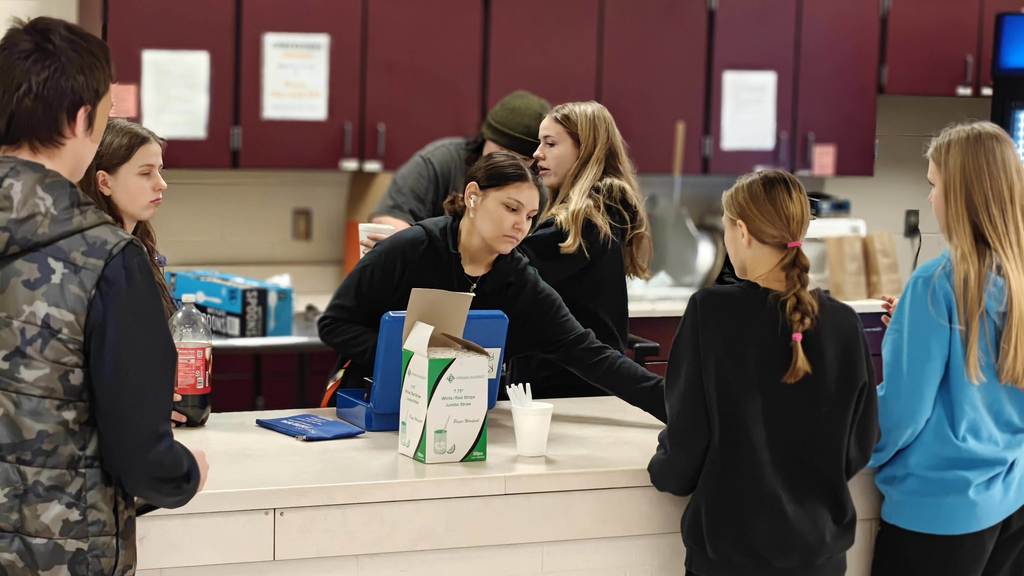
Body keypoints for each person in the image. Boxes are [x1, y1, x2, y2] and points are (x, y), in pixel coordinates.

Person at [0, 18, 205, 575]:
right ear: (82, 119)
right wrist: (188, 472)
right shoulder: (108, 259)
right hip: (62, 554)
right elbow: (141, 456)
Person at [647, 169, 878, 576]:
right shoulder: (843, 322)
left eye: (725, 229)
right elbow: (860, 444)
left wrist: (662, 471)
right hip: (818, 559)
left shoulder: (711, 313)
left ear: (742, 231)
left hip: (731, 557)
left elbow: (686, 445)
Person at [318, 152, 665, 422]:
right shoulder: (411, 249)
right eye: (511, 208)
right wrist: (409, 354)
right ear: (473, 196)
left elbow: (587, 351)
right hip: (376, 409)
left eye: (530, 216)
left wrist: (673, 403)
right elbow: (334, 324)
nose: (520, 226)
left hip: (468, 419)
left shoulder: (518, 278)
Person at [869, 122, 1024, 576]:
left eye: (935, 185)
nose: (931, 197)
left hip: (937, 515)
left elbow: (901, 413)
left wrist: (849, 454)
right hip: (1011, 502)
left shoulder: (937, 281)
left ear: (960, 195)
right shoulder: (1015, 277)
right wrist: (918, 325)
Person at [517, 101, 652, 397]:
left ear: (586, 150)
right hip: (579, 382)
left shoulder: (587, 219)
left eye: (550, 143)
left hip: (568, 386)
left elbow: (515, 266)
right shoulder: (606, 210)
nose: (538, 153)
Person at [365, 90, 550, 249]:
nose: (509, 164)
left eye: (523, 159)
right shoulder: (439, 162)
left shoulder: (535, 191)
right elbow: (388, 224)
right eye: (502, 152)